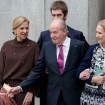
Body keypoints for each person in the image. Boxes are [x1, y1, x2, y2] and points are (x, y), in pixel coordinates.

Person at [8, 18, 86, 105]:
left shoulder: (79, 46)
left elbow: (89, 64)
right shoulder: (47, 46)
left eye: (55, 32)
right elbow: (37, 70)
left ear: (64, 31)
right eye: (51, 32)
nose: (52, 35)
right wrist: (20, 87)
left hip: (73, 96)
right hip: (53, 97)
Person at [37, 1, 90, 105]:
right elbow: (38, 59)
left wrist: (85, 71)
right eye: (53, 15)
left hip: (71, 88)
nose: (56, 17)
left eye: (59, 15)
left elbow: (88, 57)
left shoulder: (76, 35)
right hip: (51, 87)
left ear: (65, 15)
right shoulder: (44, 36)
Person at [0, 16, 39, 105]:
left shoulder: (34, 46)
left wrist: (31, 92)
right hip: (6, 91)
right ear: (14, 30)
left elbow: (37, 72)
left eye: (27, 28)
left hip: (24, 91)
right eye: (22, 28)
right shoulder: (6, 46)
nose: (25, 31)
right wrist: (1, 91)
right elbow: (0, 69)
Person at [76, 19, 105, 105]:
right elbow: (78, 73)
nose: (96, 35)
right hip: (90, 98)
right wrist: (93, 79)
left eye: (100, 33)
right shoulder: (93, 49)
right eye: (96, 32)